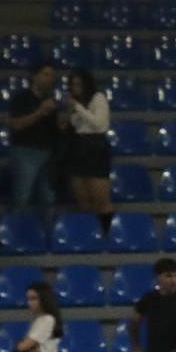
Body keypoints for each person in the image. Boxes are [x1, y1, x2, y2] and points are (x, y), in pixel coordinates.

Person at [60, 67, 114, 232]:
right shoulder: (76, 104)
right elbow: (71, 126)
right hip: (78, 147)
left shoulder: (98, 98)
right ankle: (89, 233)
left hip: (95, 147)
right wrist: (69, 112)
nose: (76, 88)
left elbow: (98, 124)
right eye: (73, 85)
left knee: (100, 199)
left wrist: (77, 107)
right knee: (82, 198)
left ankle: (106, 232)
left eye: (79, 84)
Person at [5, 60, 62, 216]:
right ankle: (17, 228)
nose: (50, 79)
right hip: (26, 151)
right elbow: (16, 124)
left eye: (52, 76)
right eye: (46, 74)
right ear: (34, 76)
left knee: (49, 199)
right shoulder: (21, 99)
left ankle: (47, 230)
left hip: (48, 153)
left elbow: (56, 129)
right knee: (22, 197)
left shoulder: (51, 101)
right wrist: (40, 112)